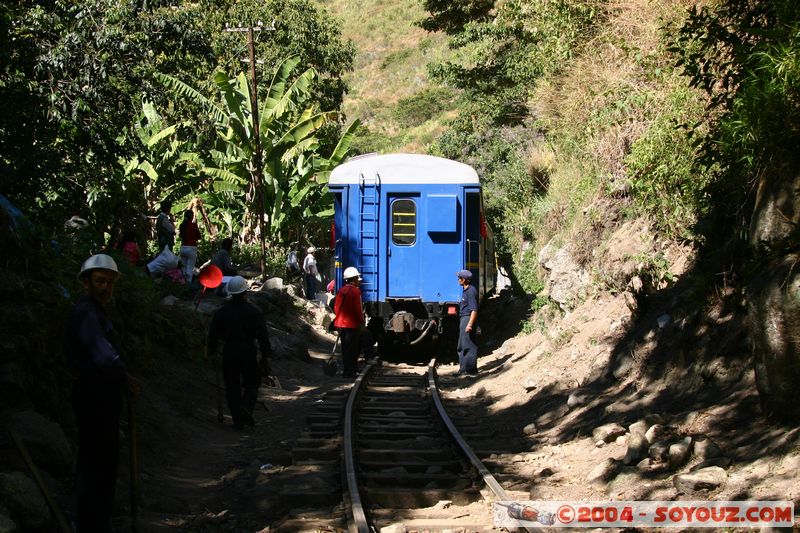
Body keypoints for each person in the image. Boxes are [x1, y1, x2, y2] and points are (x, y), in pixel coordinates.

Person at [66, 254, 133, 532]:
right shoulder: (87, 313)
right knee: (98, 462)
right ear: (86, 283)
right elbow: (104, 356)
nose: (105, 287)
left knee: (98, 459)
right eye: (99, 281)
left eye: (109, 282)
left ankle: (94, 519)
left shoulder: (94, 310)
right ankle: (92, 522)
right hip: (95, 394)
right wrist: (126, 379)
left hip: (100, 392)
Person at [208, 276, 271, 430]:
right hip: (248, 350)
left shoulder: (222, 312)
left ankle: (237, 420)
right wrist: (265, 355)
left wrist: (212, 350)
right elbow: (263, 335)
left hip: (229, 351)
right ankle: (246, 408)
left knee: (232, 385)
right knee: (252, 383)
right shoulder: (254, 312)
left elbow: (213, 333)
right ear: (245, 292)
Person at [333, 266, 364, 378]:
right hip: (352, 324)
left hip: (341, 324)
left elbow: (336, 307)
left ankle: (346, 370)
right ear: (354, 278)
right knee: (352, 349)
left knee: (345, 349)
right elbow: (358, 309)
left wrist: (338, 319)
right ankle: (350, 372)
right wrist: (361, 322)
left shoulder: (341, 290)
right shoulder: (356, 292)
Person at [455, 269, 479, 377]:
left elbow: (474, 310)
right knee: (461, 345)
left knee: (468, 344)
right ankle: (463, 369)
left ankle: (470, 370)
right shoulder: (466, 290)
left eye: (459, 278)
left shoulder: (471, 291)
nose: (458, 280)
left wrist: (470, 324)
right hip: (464, 318)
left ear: (464, 280)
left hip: (467, 319)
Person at [178, 209, 201, 283]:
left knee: (184, 268)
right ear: (191, 217)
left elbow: (181, 236)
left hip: (183, 247)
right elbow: (198, 236)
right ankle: (188, 285)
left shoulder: (182, 225)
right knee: (190, 269)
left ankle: (182, 284)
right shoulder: (193, 225)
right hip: (191, 248)